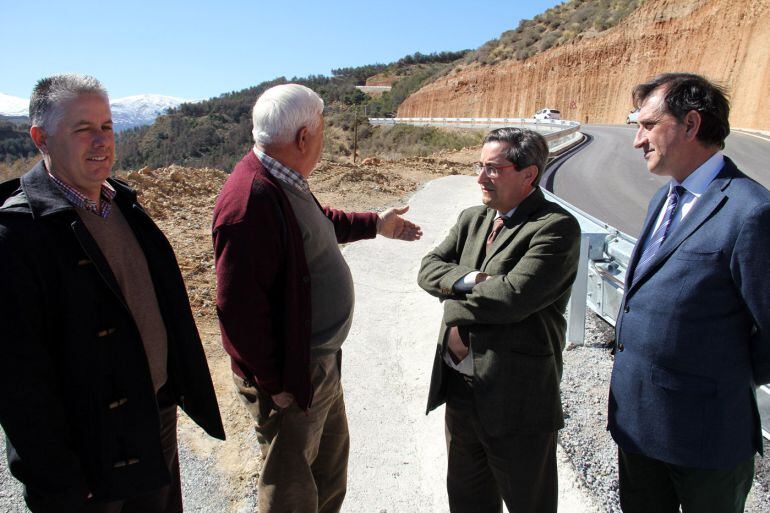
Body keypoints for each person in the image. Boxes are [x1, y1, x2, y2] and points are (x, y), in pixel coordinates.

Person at [0, 74, 225, 513]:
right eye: (83, 129)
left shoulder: (123, 203)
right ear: (40, 138)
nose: (101, 141)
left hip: (152, 418)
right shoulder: (17, 234)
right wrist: (55, 479)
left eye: (106, 126)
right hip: (89, 450)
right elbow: (18, 383)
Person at [212, 83, 422, 513]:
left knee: (327, 474)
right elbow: (237, 313)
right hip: (293, 377)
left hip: (316, 366)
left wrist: (373, 223)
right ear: (304, 138)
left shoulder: (283, 178)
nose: (324, 139)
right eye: (322, 130)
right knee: (290, 493)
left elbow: (317, 224)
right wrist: (278, 385)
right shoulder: (249, 201)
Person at [608, 72, 770, 513]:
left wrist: (718, 380)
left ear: (691, 124)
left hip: (707, 436)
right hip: (638, 426)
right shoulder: (665, 199)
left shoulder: (750, 211)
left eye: (646, 125)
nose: (637, 140)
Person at [417, 127, 581, 513]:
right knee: (467, 501)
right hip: (460, 387)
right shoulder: (473, 218)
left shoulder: (555, 227)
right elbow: (427, 269)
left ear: (529, 174)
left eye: (493, 169)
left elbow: (512, 299)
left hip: (517, 399)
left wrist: (450, 299)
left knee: (530, 502)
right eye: (480, 166)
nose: (480, 178)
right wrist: (473, 280)